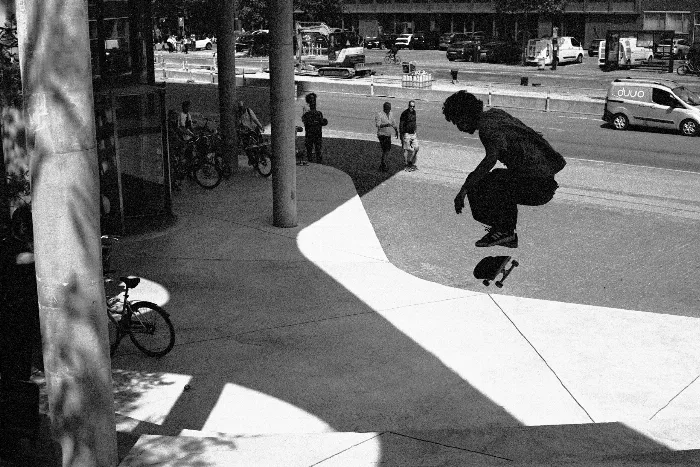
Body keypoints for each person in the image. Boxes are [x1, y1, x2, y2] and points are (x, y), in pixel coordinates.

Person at [442, 91, 566, 248]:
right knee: (493, 178)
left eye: (458, 122)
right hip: (545, 180)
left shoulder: (487, 129)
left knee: (482, 185)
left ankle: (504, 231)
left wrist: (463, 190)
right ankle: (504, 230)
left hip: (538, 187)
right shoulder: (496, 114)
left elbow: (489, 161)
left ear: (466, 116)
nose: (459, 127)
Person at [301, 93, 328, 164]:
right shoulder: (310, 114)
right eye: (312, 100)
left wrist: (322, 122)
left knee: (315, 151)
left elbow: (321, 122)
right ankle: (315, 163)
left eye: (314, 100)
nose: (313, 102)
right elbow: (307, 123)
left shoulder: (316, 113)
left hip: (314, 135)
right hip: (313, 135)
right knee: (313, 151)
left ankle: (315, 163)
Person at [374, 101, 398, 172]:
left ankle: (382, 164)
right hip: (382, 134)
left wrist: (396, 131)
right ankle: (383, 164)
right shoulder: (379, 114)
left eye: (389, 108)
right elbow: (378, 125)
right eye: (387, 108)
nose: (388, 110)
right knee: (386, 150)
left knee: (387, 150)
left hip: (388, 134)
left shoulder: (391, 114)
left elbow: (393, 122)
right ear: (384, 108)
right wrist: (386, 125)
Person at [399, 100, 419, 171]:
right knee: (406, 149)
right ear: (408, 106)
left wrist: (415, 131)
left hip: (413, 134)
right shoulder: (404, 113)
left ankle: (410, 162)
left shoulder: (414, 112)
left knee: (416, 148)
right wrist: (401, 135)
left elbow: (414, 122)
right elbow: (401, 125)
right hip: (406, 134)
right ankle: (406, 164)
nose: (412, 108)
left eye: (413, 106)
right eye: (411, 106)